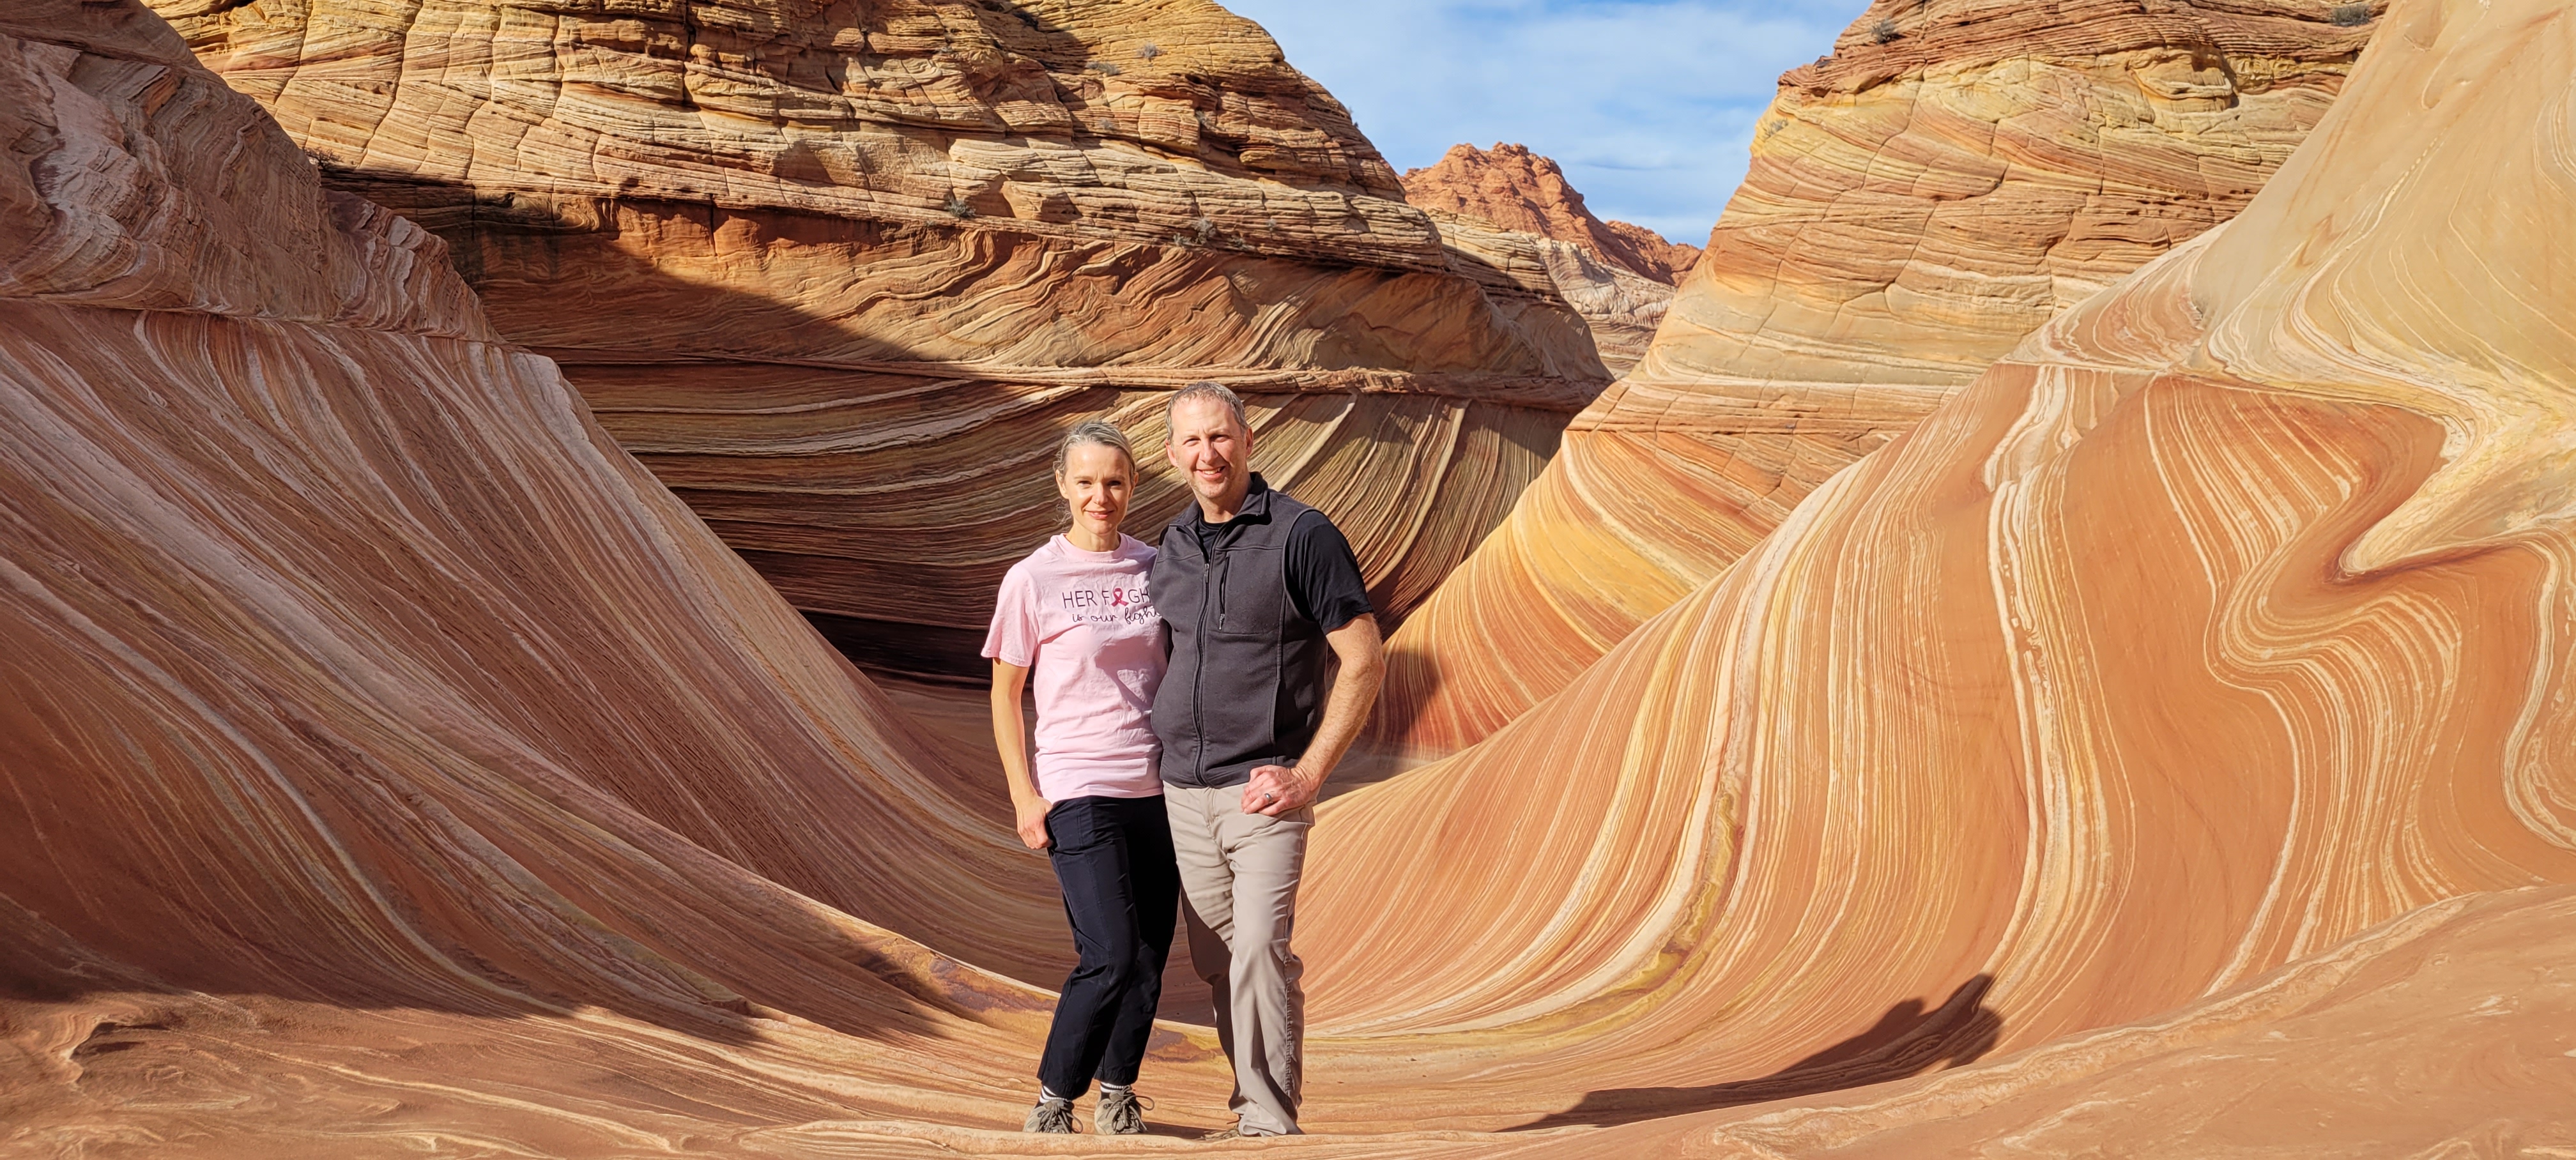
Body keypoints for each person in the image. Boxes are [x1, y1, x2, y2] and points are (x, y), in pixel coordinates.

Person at [1151, 381, 1384, 1139]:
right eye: (1191, 441)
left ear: (1248, 441)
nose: (1206, 454)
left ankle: (1268, 1116)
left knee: (1257, 948)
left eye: (1219, 437)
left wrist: (1309, 774)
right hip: (1183, 790)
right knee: (1223, 961)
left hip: (1266, 788)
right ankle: (1256, 1089)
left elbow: (1364, 660)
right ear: (1171, 454)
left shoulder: (1303, 535)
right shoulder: (1173, 546)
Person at [983, 419, 1178, 1136]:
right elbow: (1006, 693)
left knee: (1151, 957)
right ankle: (1054, 1099)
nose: (1103, 495)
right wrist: (1023, 796)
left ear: (1133, 486)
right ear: (1063, 486)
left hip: (1158, 786)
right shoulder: (1033, 578)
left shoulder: (1157, 565)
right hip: (1078, 785)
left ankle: (1118, 1089)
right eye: (1088, 481)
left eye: (1116, 481)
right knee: (1111, 952)